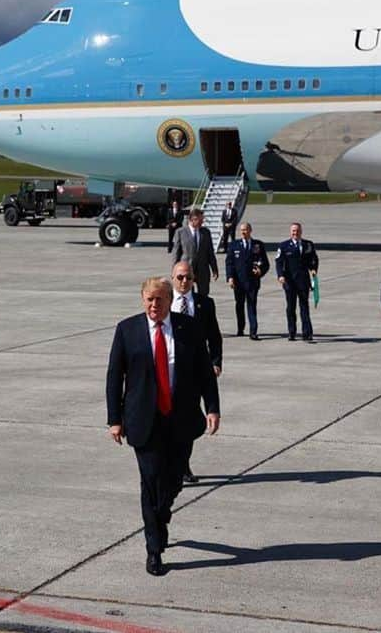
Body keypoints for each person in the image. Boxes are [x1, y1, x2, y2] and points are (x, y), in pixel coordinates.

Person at [106, 277, 220, 576]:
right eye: (149, 299)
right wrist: (114, 419)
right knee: (151, 480)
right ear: (142, 299)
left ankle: (162, 514)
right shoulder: (127, 329)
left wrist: (212, 407)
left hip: (181, 418)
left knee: (173, 480)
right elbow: (114, 376)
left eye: (159, 300)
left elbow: (205, 372)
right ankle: (154, 549)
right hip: (144, 420)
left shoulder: (188, 328)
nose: (154, 305)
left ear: (170, 301)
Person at [171, 261, 223, 484]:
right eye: (180, 277)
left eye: (188, 278)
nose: (184, 282)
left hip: (194, 372)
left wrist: (215, 362)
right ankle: (171, 465)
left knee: (189, 421)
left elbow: (214, 336)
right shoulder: (164, 302)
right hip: (169, 370)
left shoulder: (205, 304)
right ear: (172, 278)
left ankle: (183, 465)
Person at [224, 222, 268, 340]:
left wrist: (260, 271)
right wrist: (230, 277)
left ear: (250, 231)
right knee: (239, 305)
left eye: (246, 230)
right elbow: (229, 263)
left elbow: (265, 263)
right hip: (238, 282)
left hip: (252, 282)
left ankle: (253, 331)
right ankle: (240, 328)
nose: (244, 232)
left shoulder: (257, 245)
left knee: (252, 306)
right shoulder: (234, 245)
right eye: (242, 230)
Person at [275, 222, 318, 342]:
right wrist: (280, 276)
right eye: (293, 231)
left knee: (304, 307)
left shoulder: (308, 245)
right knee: (290, 308)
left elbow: (313, 259)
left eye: (297, 231)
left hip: (303, 281)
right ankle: (292, 332)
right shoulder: (284, 246)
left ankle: (307, 333)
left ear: (301, 231)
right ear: (290, 232)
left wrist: (314, 269)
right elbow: (279, 262)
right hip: (289, 282)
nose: (295, 233)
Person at [171, 208, 219, 297]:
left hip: (203, 270)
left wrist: (214, 269)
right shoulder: (180, 232)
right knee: (187, 295)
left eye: (202, 220)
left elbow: (210, 252)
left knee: (204, 295)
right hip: (187, 269)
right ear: (192, 220)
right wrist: (174, 270)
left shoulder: (206, 232)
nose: (202, 222)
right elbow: (176, 253)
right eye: (200, 220)